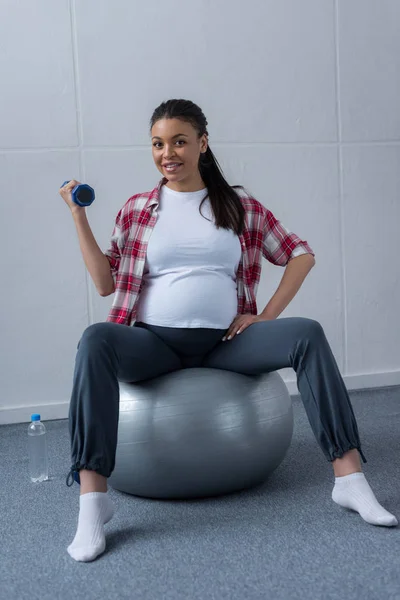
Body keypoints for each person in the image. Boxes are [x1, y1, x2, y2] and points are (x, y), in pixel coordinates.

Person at [60, 99, 398, 562]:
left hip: (226, 343)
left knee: (308, 334)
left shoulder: (239, 206)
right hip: (154, 343)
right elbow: (105, 284)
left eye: (179, 141)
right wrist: (78, 217)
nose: (168, 153)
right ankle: (93, 503)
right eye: (158, 144)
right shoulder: (138, 209)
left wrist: (266, 317)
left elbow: (301, 254)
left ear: (202, 143)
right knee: (96, 339)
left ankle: (350, 479)